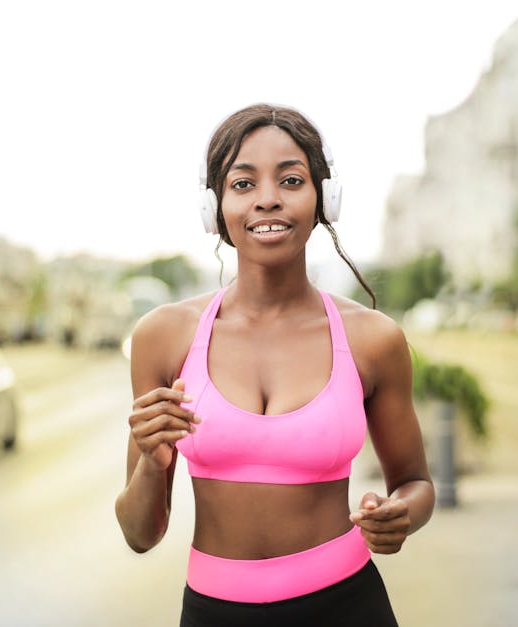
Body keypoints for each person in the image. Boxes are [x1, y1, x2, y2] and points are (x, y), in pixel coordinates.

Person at [115, 104, 434, 626]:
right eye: (243, 184)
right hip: (214, 613)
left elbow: (416, 482)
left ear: (323, 199)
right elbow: (139, 534)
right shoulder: (164, 336)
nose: (268, 199)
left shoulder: (373, 339)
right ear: (214, 208)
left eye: (290, 179)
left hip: (348, 607)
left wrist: (402, 516)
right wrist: (153, 462)